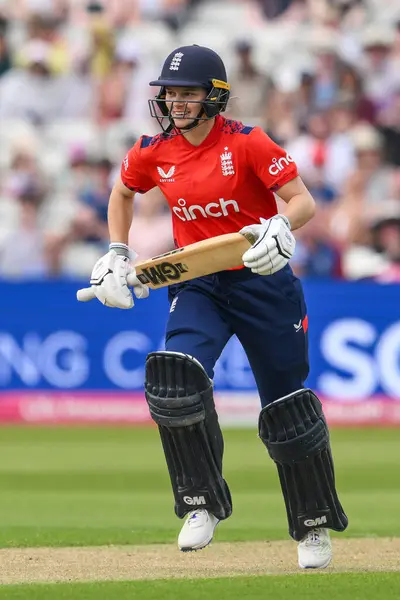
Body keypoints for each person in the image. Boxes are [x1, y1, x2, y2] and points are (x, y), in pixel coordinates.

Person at [77, 45, 348, 569]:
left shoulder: (247, 143)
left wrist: (281, 225)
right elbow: (122, 193)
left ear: (214, 96)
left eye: (187, 93)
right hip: (197, 281)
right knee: (175, 378)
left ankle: (312, 524)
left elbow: (303, 201)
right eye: (170, 93)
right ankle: (202, 502)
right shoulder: (154, 150)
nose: (176, 102)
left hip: (262, 279)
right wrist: (116, 252)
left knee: (286, 406)